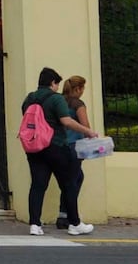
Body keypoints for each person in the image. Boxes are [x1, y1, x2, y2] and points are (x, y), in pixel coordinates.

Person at [23, 67, 98, 236]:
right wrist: (88, 132)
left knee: (38, 185)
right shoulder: (56, 99)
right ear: (52, 83)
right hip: (55, 145)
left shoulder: (29, 98)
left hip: (34, 148)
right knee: (69, 184)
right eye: (56, 83)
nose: (57, 87)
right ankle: (74, 223)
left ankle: (35, 224)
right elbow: (66, 121)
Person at [55, 75, 91, 230]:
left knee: (70, 179)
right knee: (73, 181)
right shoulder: (78, 104)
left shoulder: (59, 101)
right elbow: (85, 124)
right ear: (78, 89)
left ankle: (64, 214)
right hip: (75, 146)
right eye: (82, 88)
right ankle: (70, 217)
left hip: (60, 145)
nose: (83, 91)